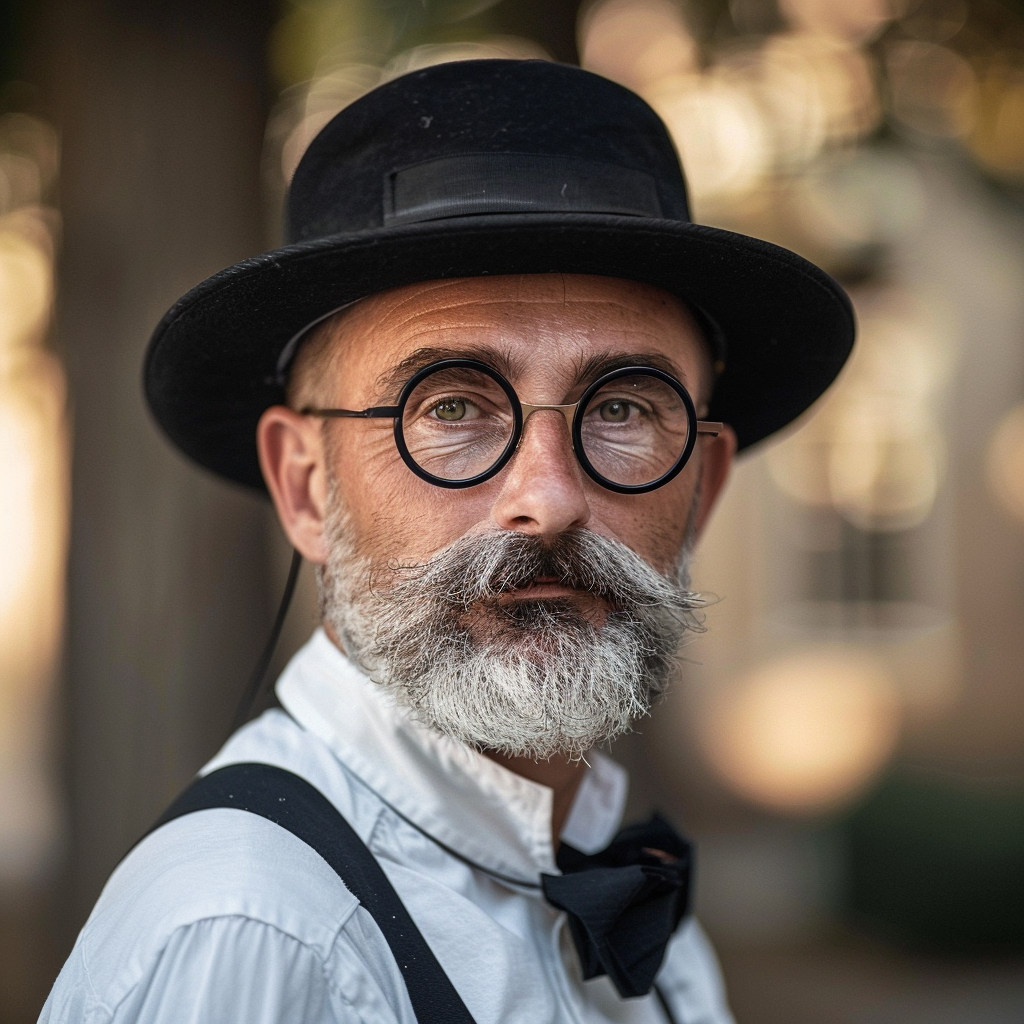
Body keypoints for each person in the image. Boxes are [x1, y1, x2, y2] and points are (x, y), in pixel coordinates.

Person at [41, 59, 853, 1024]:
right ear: (306, 485)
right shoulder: (254, 932)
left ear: (704, 488)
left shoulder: (651, 932)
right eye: (454, 406)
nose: (548, 500)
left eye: (625, 408)